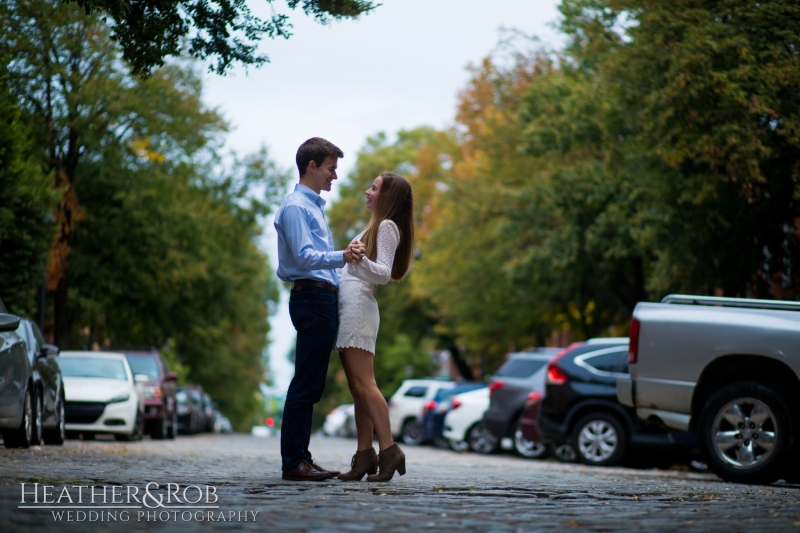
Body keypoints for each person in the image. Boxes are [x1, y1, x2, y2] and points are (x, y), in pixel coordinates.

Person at [274, 137, 366, 481]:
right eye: (331, 168)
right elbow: (304, 257)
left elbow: (320, 263)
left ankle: (302, 459)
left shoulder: (313, 207)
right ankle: (293, 463)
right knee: (305, 384)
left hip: (321, 297)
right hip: (312, 298)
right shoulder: (297, 207)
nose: (334, 176)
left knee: (311, 383)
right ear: (311, 166)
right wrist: (343, 255)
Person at [335, 172, 415, 482]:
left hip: (359, 307)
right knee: (357, 388)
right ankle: (365, 455)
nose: (367, 192)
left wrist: (359, 259)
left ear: (388, 197)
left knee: (365, 384)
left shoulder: (386, 226)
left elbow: (382, 273)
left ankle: (390, 450)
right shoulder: (375, 225)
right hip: (351, 304)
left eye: (374, 188)